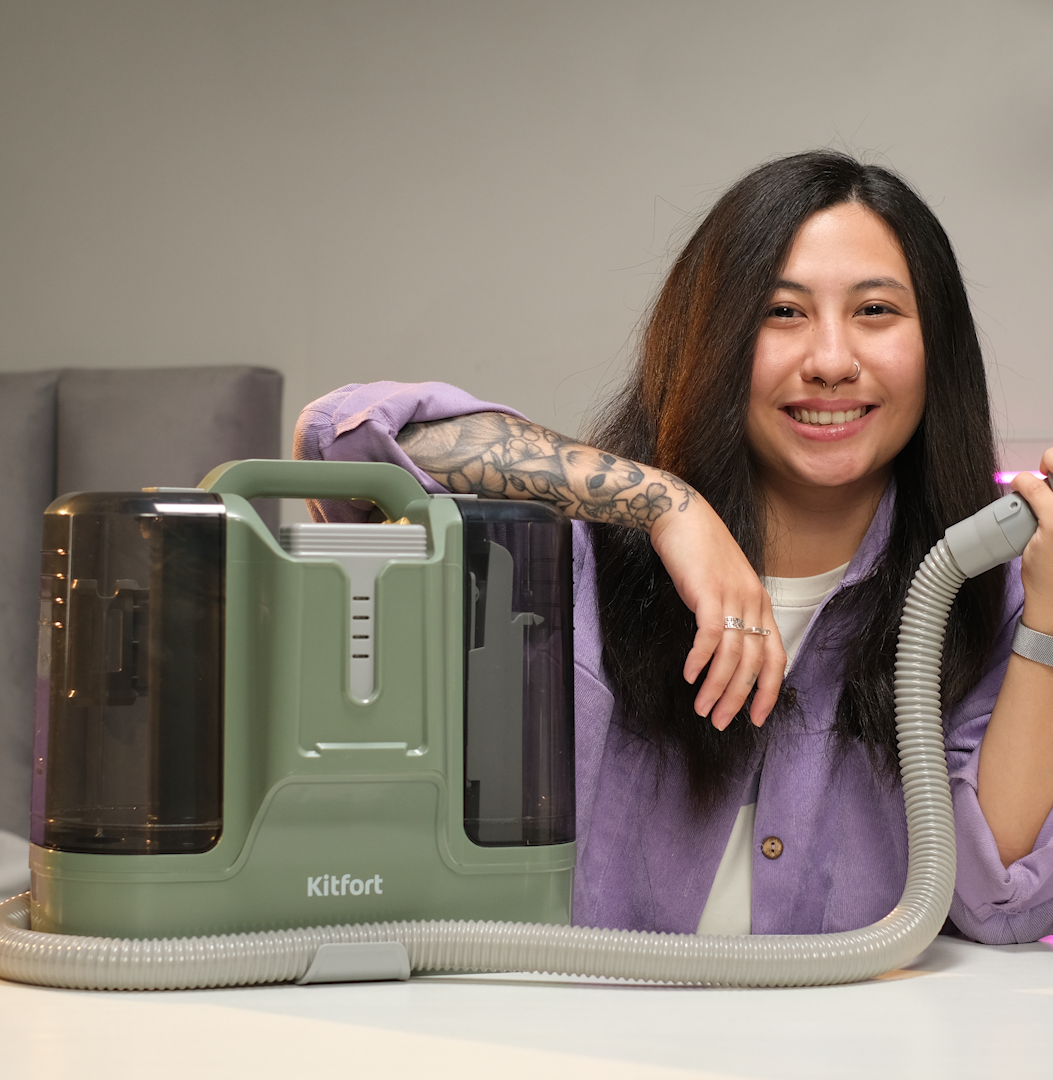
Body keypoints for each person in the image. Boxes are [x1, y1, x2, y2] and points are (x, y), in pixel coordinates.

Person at [294, 151, 1053, 943]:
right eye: (781, 311)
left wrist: (1045, 626)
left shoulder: (985, 590)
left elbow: (997, 904)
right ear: (713, 337)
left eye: (874, 310)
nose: (830, 362)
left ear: (937, 346)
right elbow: (338, 439)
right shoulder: (576, 555)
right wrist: (664, 505)